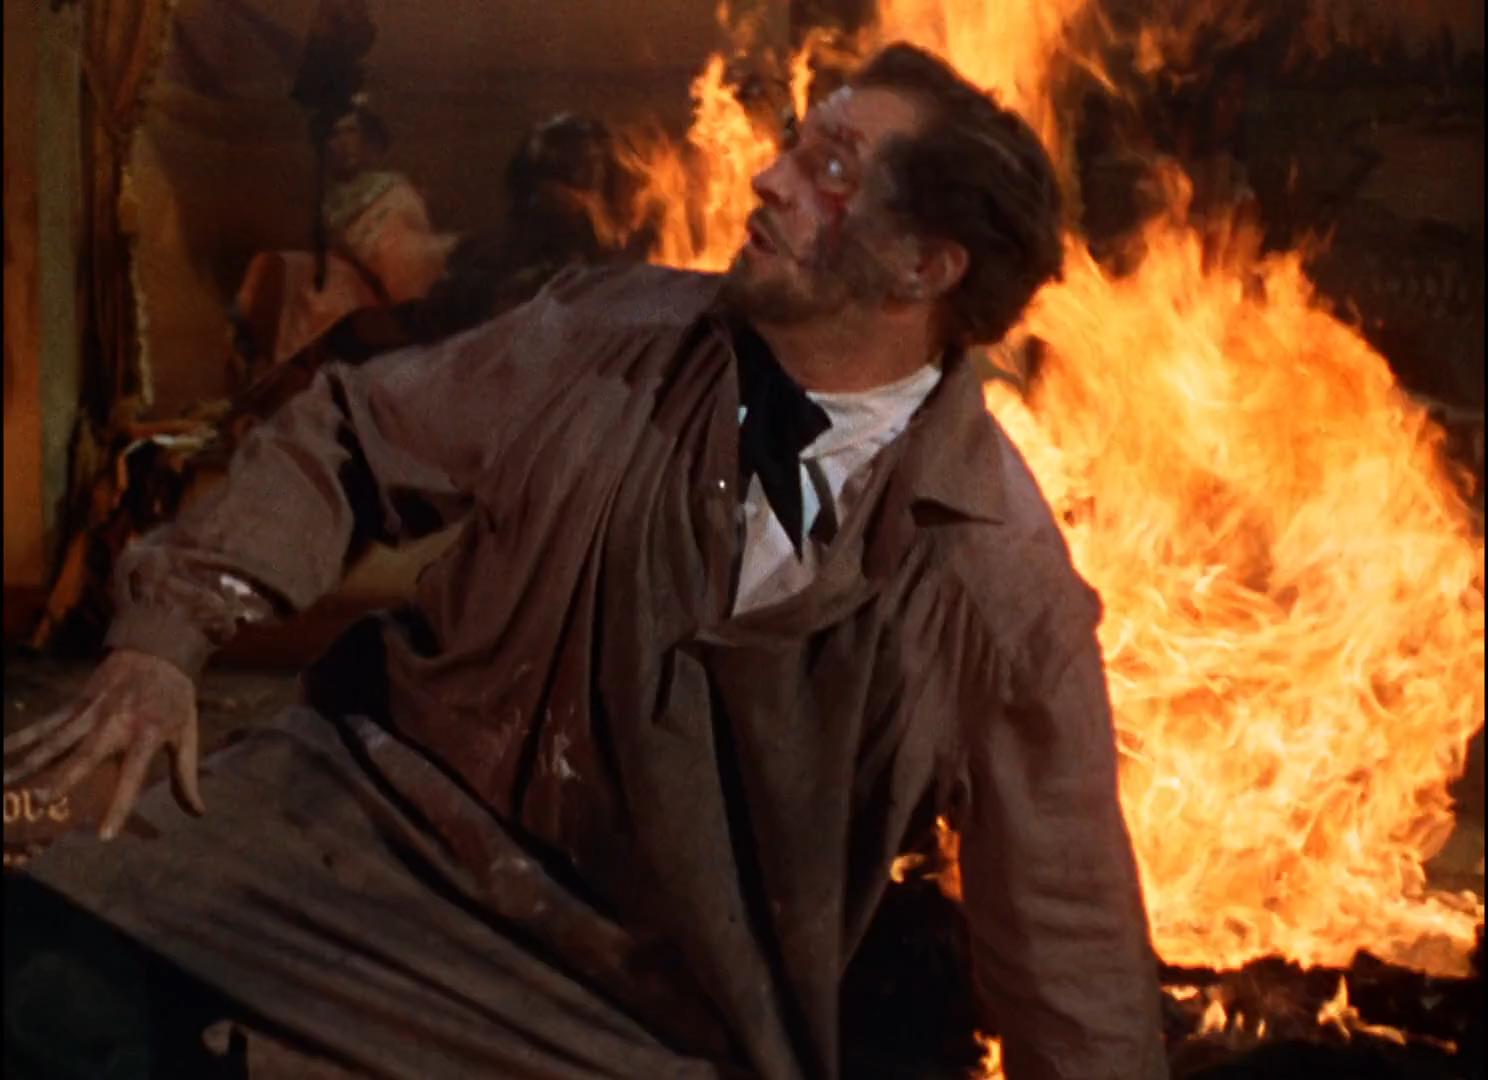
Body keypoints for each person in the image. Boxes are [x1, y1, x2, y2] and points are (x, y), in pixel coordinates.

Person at [4, 43, 1167, 1079]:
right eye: (793, 149)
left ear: (924, 265)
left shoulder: (995, 585)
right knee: (40, 981)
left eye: (829, 171)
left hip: (633, 1011)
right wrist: (166, 638)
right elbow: (349, 434)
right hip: (363, 832)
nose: (767, 180)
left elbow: (1067, 936)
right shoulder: (609, 336)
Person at [230, 100, 456, 380]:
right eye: (334, 134)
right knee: (282, 268)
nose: (343, 143)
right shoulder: (328, 199)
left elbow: (404, 257)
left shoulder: (395, 191)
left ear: (368, 139)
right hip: (346, 283)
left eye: (351, 131)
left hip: (389, 293)